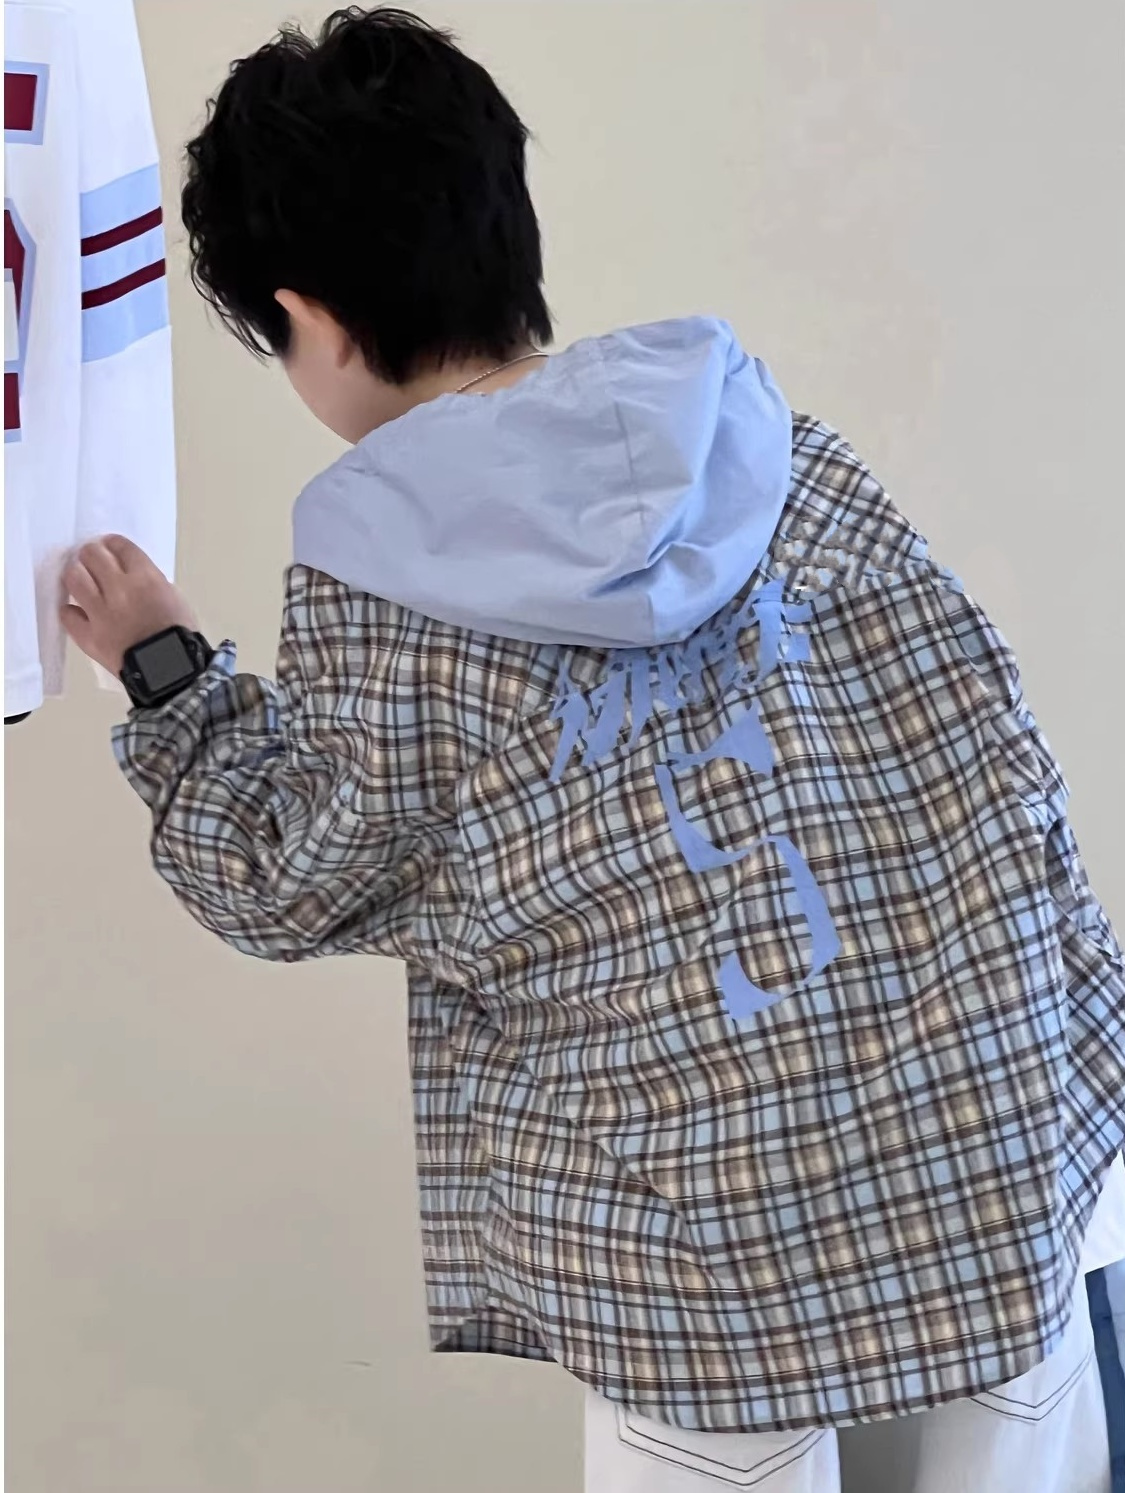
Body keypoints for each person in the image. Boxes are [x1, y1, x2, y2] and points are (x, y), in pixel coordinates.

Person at [61, 8, 1125, 1490]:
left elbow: (291, 878)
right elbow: (987, 745)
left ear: (313, 321)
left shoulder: (386, 598)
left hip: (699, 1261)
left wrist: (169, 676)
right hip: (995, 1148)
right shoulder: (778, 448)